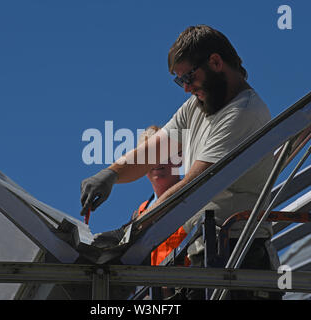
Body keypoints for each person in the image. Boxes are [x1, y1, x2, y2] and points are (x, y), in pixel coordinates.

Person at [81, 25, 281, 300]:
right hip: (209, 252)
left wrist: (129, 232)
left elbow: (193, 186)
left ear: (215, 62)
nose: (186, 88)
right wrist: (111, 173)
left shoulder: (242, 112)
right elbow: (153, 150)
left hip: (241, 258)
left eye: (189, 77)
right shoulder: (197, 106)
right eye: (180, 81)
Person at [132, 125, 188, 267]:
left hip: (187, 285)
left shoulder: (195, 197)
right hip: (148, 286)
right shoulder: (139, 212)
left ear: (179, 157)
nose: (157, 162)